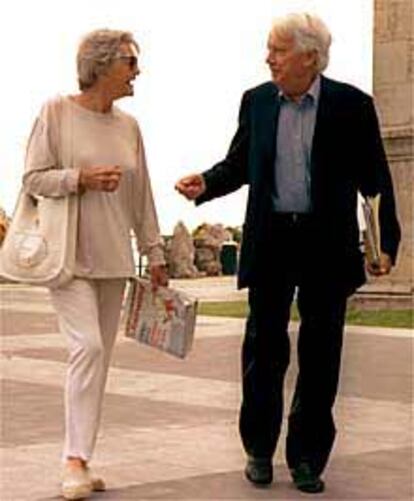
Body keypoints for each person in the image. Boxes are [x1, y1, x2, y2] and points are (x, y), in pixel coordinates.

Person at [175, 12, 400, 494]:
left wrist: (387, 246)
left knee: (321, 357)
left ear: (310, 58)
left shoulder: (352, 105)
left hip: (327, 247)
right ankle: (258, 449)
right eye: (270, 49)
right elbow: (240, 164)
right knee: (262, 350)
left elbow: (376, 180)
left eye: (278, 50)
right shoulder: (256, 103)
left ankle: (307, 459)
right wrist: (206, 185)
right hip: (271, 241)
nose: (269, 58)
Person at [23, 29, 168, 500]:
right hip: (66, 257)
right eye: (130, 62)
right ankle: (72, 461)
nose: (137, 71)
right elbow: (33, 178)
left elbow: (141, 194)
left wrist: (156, 252)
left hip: (113, 260)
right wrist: (80, 179)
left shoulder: (130, 127)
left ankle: (82, 458)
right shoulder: (56, 112)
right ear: (101, 65)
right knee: (86, 347)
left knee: (100, 359)